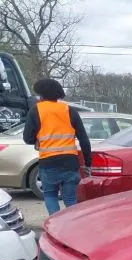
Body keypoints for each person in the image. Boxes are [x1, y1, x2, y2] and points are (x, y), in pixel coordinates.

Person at [22, 78, 91, 215]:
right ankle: (72, 228)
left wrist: (38, 141)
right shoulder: (69, 110)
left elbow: (27, 138)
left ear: (41, 95)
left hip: (48, 162)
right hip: (70, 162)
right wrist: (88, 162)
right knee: (70, 198)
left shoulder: (36, 110)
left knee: (50, 195)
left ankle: (55, 225)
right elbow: (84, 139)